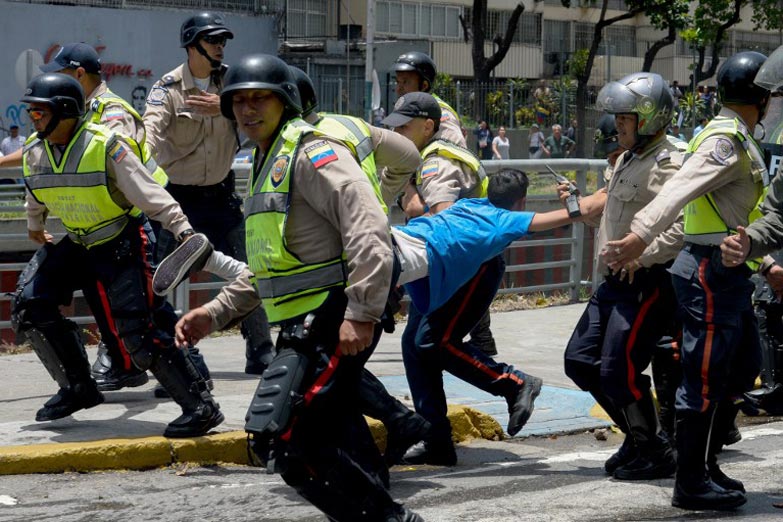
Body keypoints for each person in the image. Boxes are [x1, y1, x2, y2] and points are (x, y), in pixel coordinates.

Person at [173, 54, 422, 521]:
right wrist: (216, 312)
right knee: (329, 434)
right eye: (238, 101)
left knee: (286, 439)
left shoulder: (311, 151)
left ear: (284, 100)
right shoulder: (269, 160)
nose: (248, 109)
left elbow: (368, 226)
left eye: (259, 98)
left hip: (331, 315)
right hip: (302, 322)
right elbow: (271, 266)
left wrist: (362, 312)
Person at [11, 72, 223, 438]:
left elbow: (148, 193)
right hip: (78, 242)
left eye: (39, 112)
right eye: (31, 113)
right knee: (29, 304)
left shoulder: (105, 145)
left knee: (138, 334)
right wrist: (34, 224)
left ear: (64, 112)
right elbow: (37, 189)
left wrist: (183, 230)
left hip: (121, 241)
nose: (33, 119)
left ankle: (201, 407)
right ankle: (79, 388)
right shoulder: (34, 149)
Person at [605, 51, 771, 510]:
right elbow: (679, 190)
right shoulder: (725, 141)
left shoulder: (734, 135)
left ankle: (705, 462)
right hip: (710, 269)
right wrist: (640, 234)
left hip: (730, 268)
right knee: (703, 377)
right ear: (762, 97)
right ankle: (691, 481)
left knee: (740, 368)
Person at [390, 170, 605, 466]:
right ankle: (436, 439)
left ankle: (515, 383)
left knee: (434, 343)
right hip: (443, 269)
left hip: (476, 273)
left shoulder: (478, 208)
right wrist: (576, 197)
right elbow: (576, 213)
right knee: (414, 347)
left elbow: (581, 212)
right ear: (522, 200)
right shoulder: (495, 213)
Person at [565, 73, 683, 486]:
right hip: (612, 282)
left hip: (646, 281)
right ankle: (639, 437)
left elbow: (680, 224)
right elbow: (611, 212)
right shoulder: (629, 157)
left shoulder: (670, 162)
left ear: (649, 118)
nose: (618, 125)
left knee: (619, 370)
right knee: (579, 360)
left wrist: (641, 253)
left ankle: (653, 448)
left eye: (625, 118)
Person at [143, 12, 275, 376]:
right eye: (213, 40)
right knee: (158, 281)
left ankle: (262, 351)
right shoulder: (166, 89)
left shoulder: (236, 83)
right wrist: (137, 165)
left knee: (252, 271)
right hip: (179, 202)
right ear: (192, 44)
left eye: (223, 41)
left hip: (222, 196)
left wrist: (226, 108)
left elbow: (269, 112)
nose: (220, 47)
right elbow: (149, 133)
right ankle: (169, 361)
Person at [37, 41, 173, 392]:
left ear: (79, 74)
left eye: (63, 74)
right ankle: (128, 363)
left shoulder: (110, 111)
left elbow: (119, 161)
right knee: (130, 301)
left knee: (144, 305)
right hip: (118, 215)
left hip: (137, 215)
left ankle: (186, 370)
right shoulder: (82, 109)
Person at [392, 51, 465, 146]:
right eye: (398, 82)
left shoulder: (440, 113)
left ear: (424, 85)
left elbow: (454, 148)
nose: (398, 89)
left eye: (405, 82)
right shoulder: (405, 110)